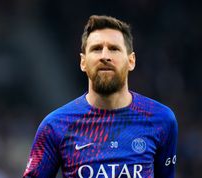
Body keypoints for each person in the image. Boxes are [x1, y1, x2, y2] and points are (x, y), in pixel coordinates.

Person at [23, 15, 178, 178]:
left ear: (131, 61)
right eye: (96, 48)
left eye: (114, 49)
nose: (105, 56)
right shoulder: (55, 125)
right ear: (83, 62)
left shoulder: (161, 119)